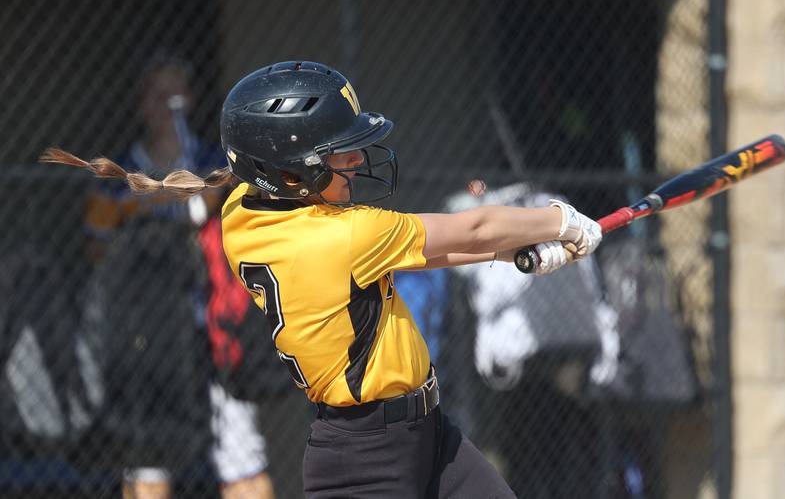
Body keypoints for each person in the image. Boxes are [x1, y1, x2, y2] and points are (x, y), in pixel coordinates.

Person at [40, 60, 603, 498]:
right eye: (337, 155)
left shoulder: (244, 214)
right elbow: (474, 228)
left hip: (429, 436)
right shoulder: (341, 236)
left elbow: (429, 255)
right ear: (287, 174)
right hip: (364, 457)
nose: (356, 163)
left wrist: (512, 256)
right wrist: (563, 220)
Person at [80, 54, 277, 499]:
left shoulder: (212, 160)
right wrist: (148, 219)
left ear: (189, 100)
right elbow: (94, 246)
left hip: (209, 324)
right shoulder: (119, 172)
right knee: (147, 459)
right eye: (156, 96)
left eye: (175, 96)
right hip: (147, 330)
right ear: (140, 104)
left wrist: (196, 202)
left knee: (241, 454)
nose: (167, 108)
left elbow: (229, 212)